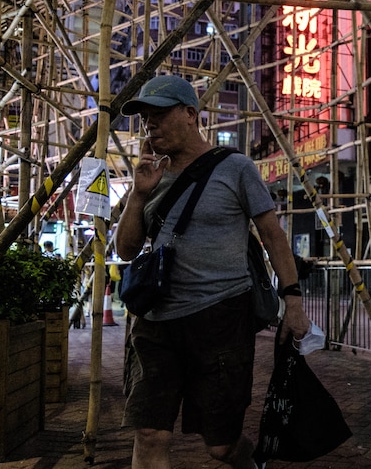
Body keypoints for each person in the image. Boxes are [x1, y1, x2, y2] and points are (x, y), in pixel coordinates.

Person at [115, 75, 311, 469]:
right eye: (145, 118)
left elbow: (272, 236)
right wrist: (138, 195)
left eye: (159, 115)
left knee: (220, 447)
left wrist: (293, 300)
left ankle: (250, 461)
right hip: (154, 323)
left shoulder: (236, 168)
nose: (149, 125)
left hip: (220, 320)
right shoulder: (149, 177)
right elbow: (126, 249)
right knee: (150, 433)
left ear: (190, 114)